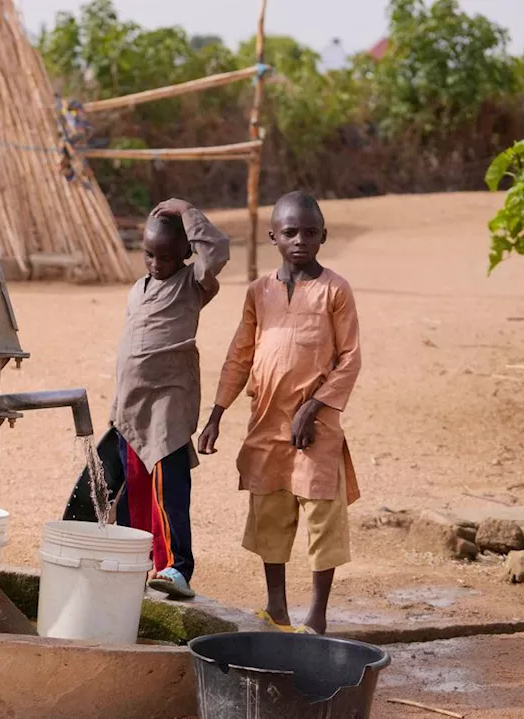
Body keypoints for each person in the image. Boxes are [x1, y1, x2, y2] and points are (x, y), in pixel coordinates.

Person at [198, 191, 362, 635]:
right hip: (267, 421)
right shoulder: (258, 292)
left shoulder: (334, 290)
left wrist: (315, 406)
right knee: (270, 511)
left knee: (323, 515)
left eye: (310, 232)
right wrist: (216, 414)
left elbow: (350, 358)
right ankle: (277, 608)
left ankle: (318, 615)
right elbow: (240, 354)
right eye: (290, 232)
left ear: (323, 236)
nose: (300, 240)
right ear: (273, 236)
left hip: (317, 426)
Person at [107, 198, 230, 600]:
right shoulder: (137, 290)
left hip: (166, 407)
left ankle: (177, 567)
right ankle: (136, 563)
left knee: (169, 487)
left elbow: (217, 251)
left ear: (185, 254)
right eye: (148, 255)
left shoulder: (193, 285)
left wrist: (187, 210)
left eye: (165, 256)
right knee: (131, 490)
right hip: (130, 408)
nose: (155, 264)